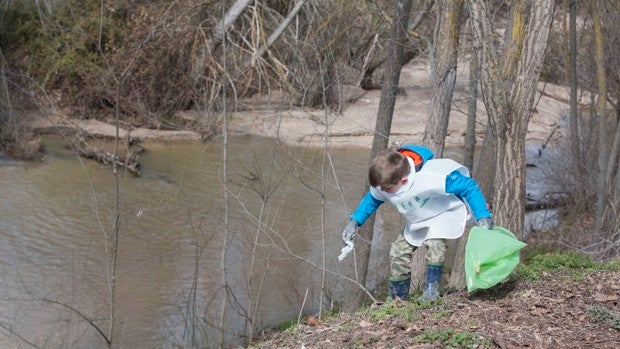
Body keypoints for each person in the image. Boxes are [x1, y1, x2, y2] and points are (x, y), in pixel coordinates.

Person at [341, 144, 494, 302]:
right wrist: (354, 221)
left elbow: (468, 187)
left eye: (386, 189)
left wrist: (482, 215)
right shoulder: (386, 182)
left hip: (441, 215)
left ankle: (431, 291)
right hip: (416, 220)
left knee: (435, 245)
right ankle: (398, 298)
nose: (383, 191)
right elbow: (370, 200)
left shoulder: (431, 176)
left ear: (404, 180)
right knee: (398, 251)